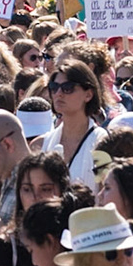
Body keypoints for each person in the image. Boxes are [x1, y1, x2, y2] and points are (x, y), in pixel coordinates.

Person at [38, 60, 107, 189]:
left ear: (88, 95)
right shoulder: (41, 144)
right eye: (54, 87)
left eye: (67, 88)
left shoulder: (102, 143)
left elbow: (104, 191)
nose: (58, 93)